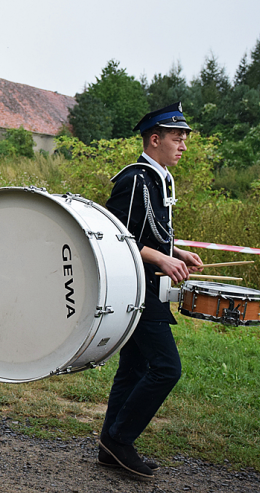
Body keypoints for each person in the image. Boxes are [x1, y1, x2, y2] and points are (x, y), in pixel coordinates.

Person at [98, 102, 203, 478]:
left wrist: (176, 252)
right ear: (155, 139)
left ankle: (110, 447)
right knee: (166, 368)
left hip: (148, 286)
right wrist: (160, 260)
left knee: (134, 368)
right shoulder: (135, 179)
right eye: (178, 138)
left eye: (185, 139)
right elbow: (117, 237)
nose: (184, 146)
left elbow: (148, 234)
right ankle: (120, 440)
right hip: (136, 290)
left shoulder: (158, 178)